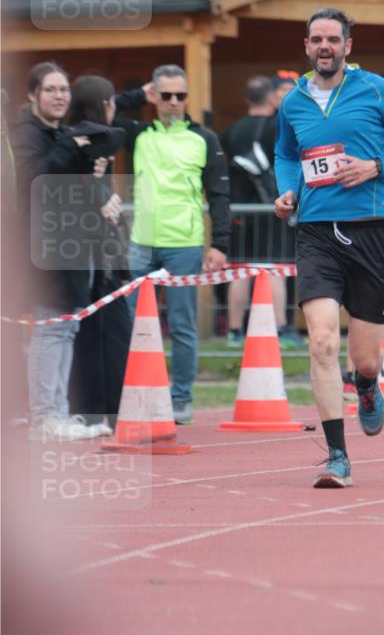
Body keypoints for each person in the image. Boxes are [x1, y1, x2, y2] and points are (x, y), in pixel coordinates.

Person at [274, 8, 384, 488]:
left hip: (372, 231)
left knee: (364, 357)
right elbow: (286, 154)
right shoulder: (293, 101)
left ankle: (365, 385)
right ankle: (337, 456)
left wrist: (375, 166)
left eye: (333, 39)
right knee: (322, 341)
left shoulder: (377, 90)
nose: (325, 46)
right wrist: (287, 190)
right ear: (306, 46)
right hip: (316, 232)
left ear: (347, 46)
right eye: (316, 39)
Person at [11, 61, 123, 441]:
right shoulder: (27, 134)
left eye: (64, 89)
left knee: (67, 327)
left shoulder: (63, 134)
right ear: (33, 94)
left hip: (71, 242)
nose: (59, 96)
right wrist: (68, 147)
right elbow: (35, 180)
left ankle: (57, 412)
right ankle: (45, 417)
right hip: (43, 246)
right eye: (50, 89)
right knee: (53, 327)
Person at [114, 65, 231, 425]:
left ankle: (181, 398)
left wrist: (220, 243)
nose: (174, 102)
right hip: (141, 243)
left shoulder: (204, 138)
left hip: (184, 245)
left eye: (181, 95)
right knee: (127, 323)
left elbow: (219, 193)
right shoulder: (138, 133)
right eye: (166, 95)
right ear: (155, 96)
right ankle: (132, 394)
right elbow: (101, 112)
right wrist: (136, 96)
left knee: (182, 325)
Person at [66, 75, 132, 429]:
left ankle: (113, 407)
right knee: (92, 332)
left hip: (104, 250)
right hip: (86, 250)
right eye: (112, 102)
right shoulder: (81, 140)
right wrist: (100, 198)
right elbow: (116, 136)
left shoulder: (89, 141)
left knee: (114, 328)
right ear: (103, 104)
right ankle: (92, 409)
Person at [221, 74, 302, 349]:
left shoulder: (231, 131)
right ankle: (281, 329)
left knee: (240, 270)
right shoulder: (279, 127)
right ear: (271, 97)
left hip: (239, 210)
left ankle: (234, 332)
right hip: (273, 208)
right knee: (275, 268)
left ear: (246, 99)